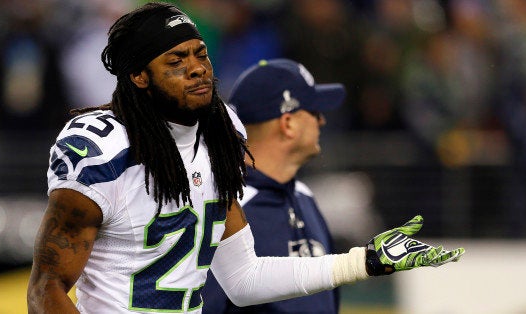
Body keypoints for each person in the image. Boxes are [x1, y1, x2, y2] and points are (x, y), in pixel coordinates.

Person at [26, 2, 465, 313]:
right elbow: (46, 289)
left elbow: (244, 278)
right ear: (139, 76)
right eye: (176, 60)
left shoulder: (220, 133)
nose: (197, 68)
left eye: (200, 54)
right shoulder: (102, 147)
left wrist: (364, 261)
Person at [202, 58, 345, 313]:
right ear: (288, 123)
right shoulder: (226, 205)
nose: (322, 121)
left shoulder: (304, 196)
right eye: (314, 111)